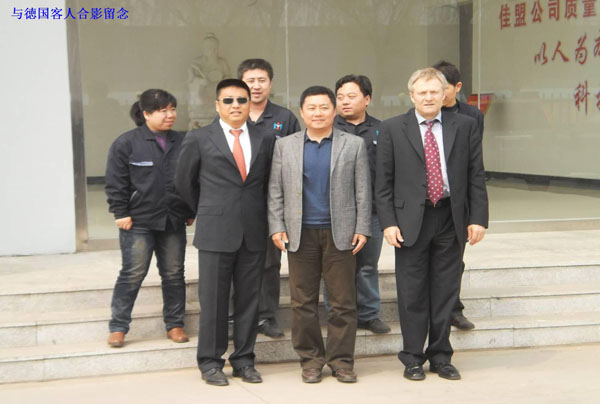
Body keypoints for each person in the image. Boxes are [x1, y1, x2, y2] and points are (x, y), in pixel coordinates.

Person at [376, 68, 488, 381]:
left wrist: (478, 218)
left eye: (434, 92)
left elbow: (476, 174)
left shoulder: (464, 126)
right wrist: (388, 223)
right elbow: (382, 182)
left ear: (445, 94)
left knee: (445, 291)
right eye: (422, 92)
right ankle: (412, 357)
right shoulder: (392, 128)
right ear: (412, 96)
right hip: (410, 221)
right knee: (411, 293)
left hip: (451, 218)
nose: (428, 97)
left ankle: (441, 356)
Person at [268, 86, 371, 384]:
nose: (318, 113)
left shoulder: (353, 144)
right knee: (303, 302)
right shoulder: (285, 146)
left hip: (341, 234)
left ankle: (341, 361)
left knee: (342, 302)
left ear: (334, 111)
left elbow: (363, 190)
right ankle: (311, 360)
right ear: (302, 112)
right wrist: (277, 225)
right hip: (300, 234)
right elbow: (275, 190)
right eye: (311, 108)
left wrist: (362, 227)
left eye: (324, 107)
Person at [175, 79, 274, 386]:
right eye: (228, 100)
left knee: (249, 301)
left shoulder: (265, 137)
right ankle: (210, 362)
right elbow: (183, 182)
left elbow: (269, 183)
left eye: (241, 100)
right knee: (214, 301)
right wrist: (207, 210)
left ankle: (244, 360)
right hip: (216, 231)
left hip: (254, 230)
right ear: (217, 105)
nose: (236, 106)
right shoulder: (199, 137)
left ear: (249, 104)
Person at [105, 89, 195, 348]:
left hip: (173, 220)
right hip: (138, 221)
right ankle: (118, 327)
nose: (170, 115)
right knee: (132, 273)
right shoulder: (127, 143)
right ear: (146, 114)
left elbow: (191, 178)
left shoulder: (183, 141)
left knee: (174, 274)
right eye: (163, 111)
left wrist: (190, 210)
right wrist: (120, 212)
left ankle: (175, 324)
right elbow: (115, 181)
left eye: (172, 109)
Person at [234, 58, 301, 339]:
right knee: (235, 261)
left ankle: (266, 316)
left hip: (272, 204)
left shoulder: (284, 118)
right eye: (250, 81)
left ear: (270, 83)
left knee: (269, 263)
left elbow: (297, 159)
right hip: (237, 204)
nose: (256, 86)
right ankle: (235, 317)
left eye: (262, 80)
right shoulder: (231, 114)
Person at [332, 74, 390, 334]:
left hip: (372, 211)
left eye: (351, 96)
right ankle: (337, 314)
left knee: (367, 266)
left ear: (367, 99)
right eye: (340, 97)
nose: (345, 101)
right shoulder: (327, 128)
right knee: (336, 267)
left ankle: (368, 314)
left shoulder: (382, 130)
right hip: (335, 212)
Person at [433, 60, 486, 331]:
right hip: (430, 201)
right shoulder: (422, 115)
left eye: (444, 88)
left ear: (457, 87)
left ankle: (453, 309)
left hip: (458, 202)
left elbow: (473, 164)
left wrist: (476, 214)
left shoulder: (471, 117)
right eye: (434, 87)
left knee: (455, 261)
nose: (437, 94)